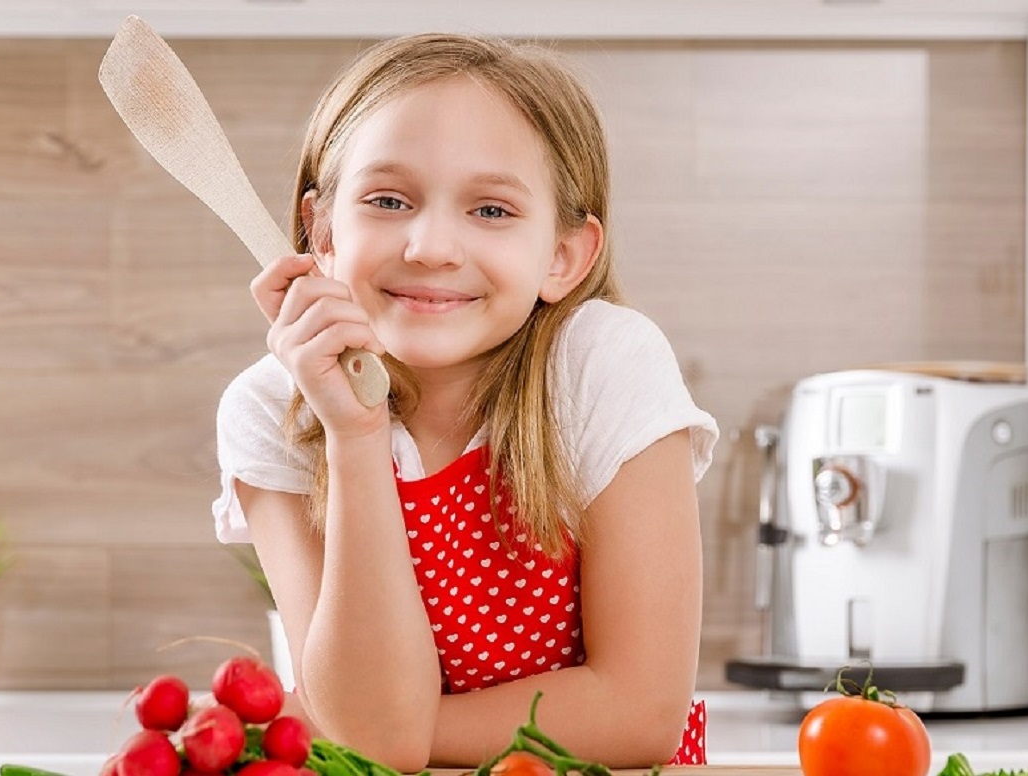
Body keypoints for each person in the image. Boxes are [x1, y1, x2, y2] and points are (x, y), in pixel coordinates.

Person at [212, 32, 719, 771]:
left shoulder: (602, 364)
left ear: (562, 256)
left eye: (490, 211)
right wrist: (354, 436)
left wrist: (384, 732)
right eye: (387, 200)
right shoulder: (272, 411)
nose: (430, 246)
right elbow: (369, 737)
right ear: (319, 231)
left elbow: (638, 713)